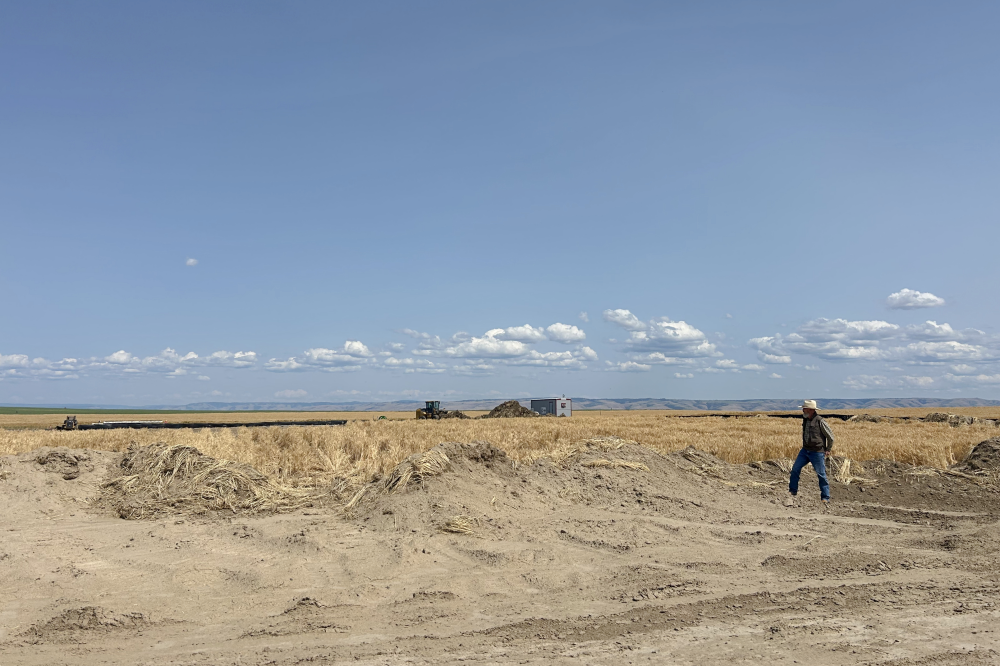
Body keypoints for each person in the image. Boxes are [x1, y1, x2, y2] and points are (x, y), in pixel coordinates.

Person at [787, 399, 834, 505]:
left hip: (817, 452)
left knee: (821, 474)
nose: (803, 410)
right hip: (805, 450)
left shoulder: (820, 421)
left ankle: (825, 497)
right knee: (795, 469)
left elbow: (831, 437)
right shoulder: (806, 420)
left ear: (811, 410)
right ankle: (792, 491)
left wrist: (828, 449)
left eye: (805, 408)